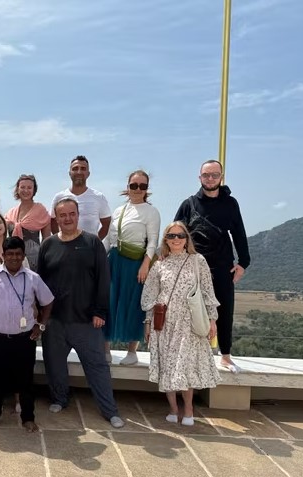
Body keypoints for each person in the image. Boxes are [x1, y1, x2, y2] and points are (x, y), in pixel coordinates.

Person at [37, 197, 125, 429]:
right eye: (62, 215)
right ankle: (59, 399)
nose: (67, 218)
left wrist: (100, 312)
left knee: (97, 367)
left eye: (71, 214)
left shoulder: (92, 242)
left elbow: (103, 280)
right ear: (56, 218)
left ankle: (110, 411)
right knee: (54, 364)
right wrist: (41, 315)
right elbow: (40, 282)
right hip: (55, 320)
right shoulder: (48, 245)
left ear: (78, 215)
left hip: (87, 320)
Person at [0, 236, 54, 432]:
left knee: (26, 381)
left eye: (18, 254)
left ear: (23, 255)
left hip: (24, 339)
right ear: (4, 255)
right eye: (10, 254)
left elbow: (48, 302)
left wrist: (41, 325)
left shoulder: (33, 278)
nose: (14, 257)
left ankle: (28, 418)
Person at [174, 160, 250, 373]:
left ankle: (225, 356)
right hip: (194, 267)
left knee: (225, 311)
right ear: (200, 177)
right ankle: (189, 356)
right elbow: (175, 235)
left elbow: (239, 233)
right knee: (190, 312)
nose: (210, 179)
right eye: (206, 175)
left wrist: (243, 262)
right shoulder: (188, 204)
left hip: (223, 266)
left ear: (221, 177)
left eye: (214, 175)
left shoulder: (231, 203)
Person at [140, 222, 220, 426]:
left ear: (186, 239)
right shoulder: (159, 265)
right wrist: (148, 322)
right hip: (164, 323)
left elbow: (207, 291)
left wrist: (212, 319)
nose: (176, 239)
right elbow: (150, 296)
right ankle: (173, 409)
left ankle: (189, 410)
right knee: (167, 366)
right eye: (171, 235)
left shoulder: (197, 261)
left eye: (180, 235)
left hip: (188, 322)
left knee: (184, 366)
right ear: (166, 240)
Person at [103, 170, 161, 365]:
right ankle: (105, 349)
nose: (138, 189)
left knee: (134, 303)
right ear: (127, 187)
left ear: (147, 189)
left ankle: (132, 351)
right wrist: (97, 258)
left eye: (142, 186)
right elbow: (109, 239)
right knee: (110, 301)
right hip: (114, 261)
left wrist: (145, 265)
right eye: (134, 185)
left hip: (135, 262)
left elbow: (152, 241)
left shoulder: (151, 212)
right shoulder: (119, 210)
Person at [50, 155, 111, 239]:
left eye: (83, 169)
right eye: (75, 169)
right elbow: (53, 222)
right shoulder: (59, 197)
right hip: (65, 246)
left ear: (88, 174)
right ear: (70, 173)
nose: (79, 172)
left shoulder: (99, 197)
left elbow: (106, 224)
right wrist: (60, 242)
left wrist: (95, 242)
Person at [4, 174, 52, 270]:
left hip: (35, 260)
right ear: (17, 189)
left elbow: (47, 240)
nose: (26, 190)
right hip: (13, 258)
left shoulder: (40, 210)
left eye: (29, 187)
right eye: (22, 187)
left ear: (34, 190)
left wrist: (44, 261)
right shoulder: (10, 213)